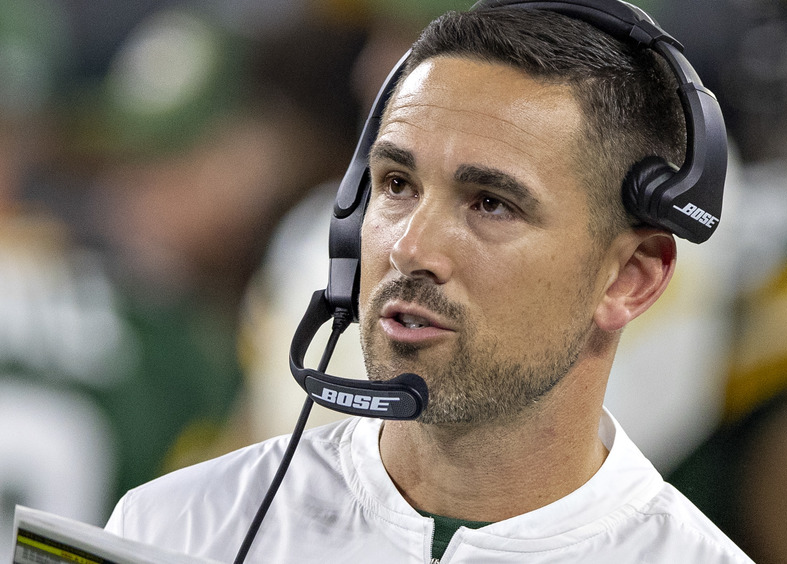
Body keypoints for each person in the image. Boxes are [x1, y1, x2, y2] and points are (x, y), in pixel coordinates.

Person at [104, 2, 753, 563]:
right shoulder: (173, 531)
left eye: (491, 203)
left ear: (630, 280)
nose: (411, 248)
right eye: (396, 185)